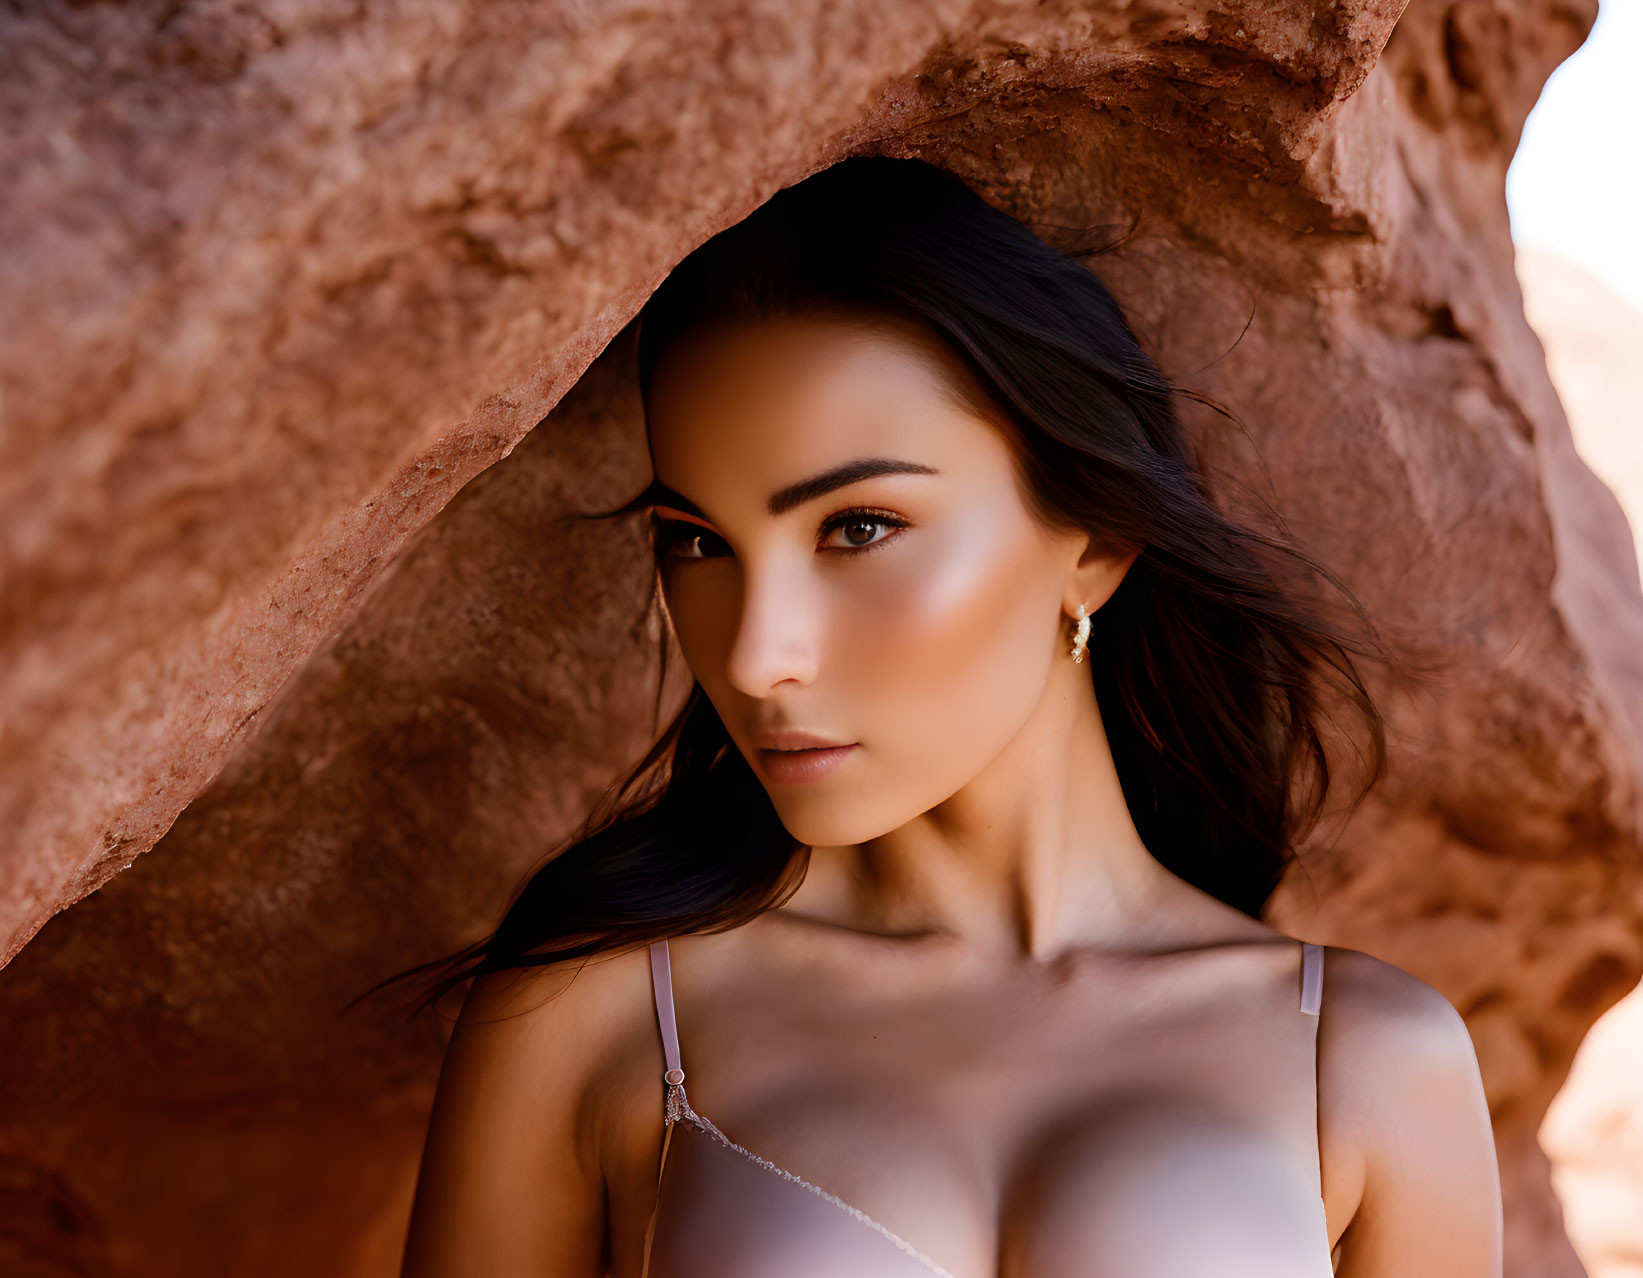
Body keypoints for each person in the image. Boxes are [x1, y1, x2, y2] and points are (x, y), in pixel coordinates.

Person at [391, 157, 1503, 1277]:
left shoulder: (1363, 1060)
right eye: (696, 539)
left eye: (857, 528)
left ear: (1093, 542)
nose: (755, 656)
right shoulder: (596, 1007)